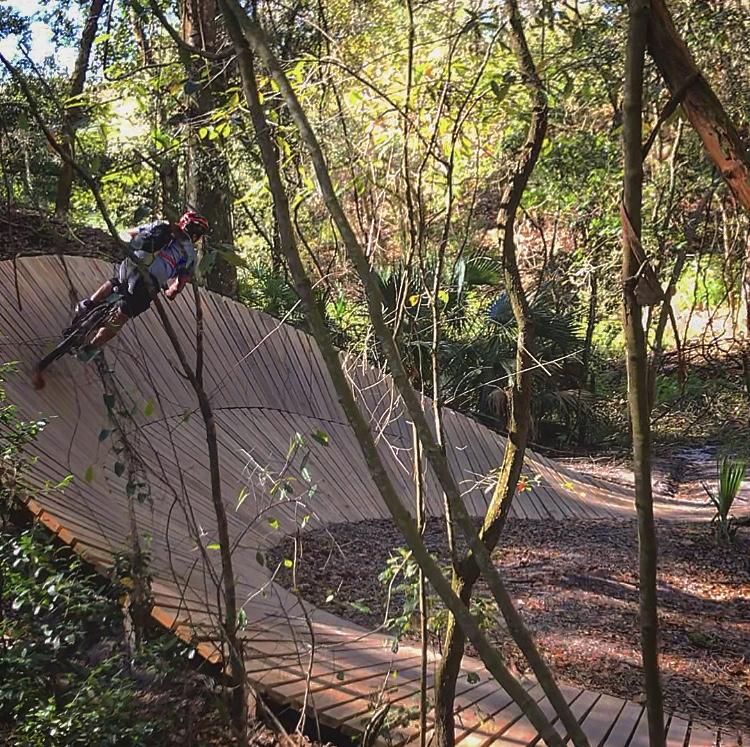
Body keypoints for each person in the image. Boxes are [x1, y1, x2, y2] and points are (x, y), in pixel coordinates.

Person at [73, 210, 209, 355]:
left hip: (132, 267)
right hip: (147, 286)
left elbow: (130, 234)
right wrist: (170, 292)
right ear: (197, 236)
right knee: (122, 316)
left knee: (117, 282)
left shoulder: (161, 225)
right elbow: (178, 287)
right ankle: (91, 348)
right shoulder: (190, 256)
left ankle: (88, 304)